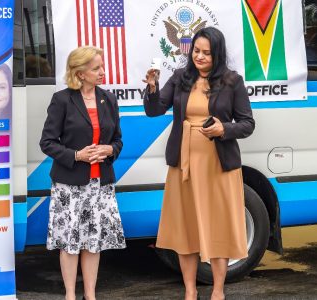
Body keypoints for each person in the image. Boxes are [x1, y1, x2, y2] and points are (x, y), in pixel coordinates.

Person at [143, 27, 255, 300]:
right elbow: (154, 110)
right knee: (186, 229)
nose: (200, 57)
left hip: (218, 166)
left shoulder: (232, 81)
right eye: (196, 51)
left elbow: (247, 123)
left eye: (206, 52)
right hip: (184, 166)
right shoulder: (180, 77)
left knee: (218, 227)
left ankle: (218, 290)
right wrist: (153, 88)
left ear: (217, 53)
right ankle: (190, 291)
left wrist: (223, 130)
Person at [40, 46, 125, 300]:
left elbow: (118, 140)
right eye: (96, 68)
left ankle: (90, 294)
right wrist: (77, 155)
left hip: (101, 183)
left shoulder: (108, 99)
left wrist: (109, 149)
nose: (102, 72)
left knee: (93, 241)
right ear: (80, 73)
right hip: (70, 185)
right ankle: (70, 294)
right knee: (70, 242)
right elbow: (47, 142)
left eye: (102, 66)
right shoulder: (62, 99)